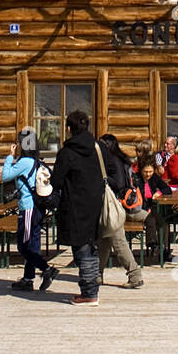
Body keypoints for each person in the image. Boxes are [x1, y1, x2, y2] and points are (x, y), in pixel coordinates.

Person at [49, 109, 105, 305]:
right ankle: (91, 289)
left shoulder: (67, 152)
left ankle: (89, 293)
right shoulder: (98, 148)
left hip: (74, 205)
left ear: (69, 128)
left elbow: (56, 182)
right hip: (95, 203)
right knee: (90, 245)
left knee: (81, 249)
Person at [3, 129, 58, 294]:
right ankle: (28, 279)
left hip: (28, 207)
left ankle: (46, 269)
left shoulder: (24, 162)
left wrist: (9, 156)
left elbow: (5, 176)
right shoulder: (38, 161)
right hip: (39, 207)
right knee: (33, 245)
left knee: (23, 245)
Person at [96, 134, 144, 288]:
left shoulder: (112, 162)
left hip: (114, 205)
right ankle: (97, 274)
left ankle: (134, 275)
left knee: (118, 242)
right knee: (103, 240)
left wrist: (103, 178)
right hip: (114, 205)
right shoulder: (120, 159)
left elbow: (118, 184)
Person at [128, 159, 172, 259]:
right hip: (138, 208)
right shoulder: (136, 179)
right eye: (146, 172)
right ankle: (153, 244)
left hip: (151, 206)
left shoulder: (154, 178)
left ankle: (164, 249)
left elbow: (167, 189)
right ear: (141, 171)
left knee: (163, 223)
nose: (148, 174)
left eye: (150, 171)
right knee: (151, 220)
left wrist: (159, 193)